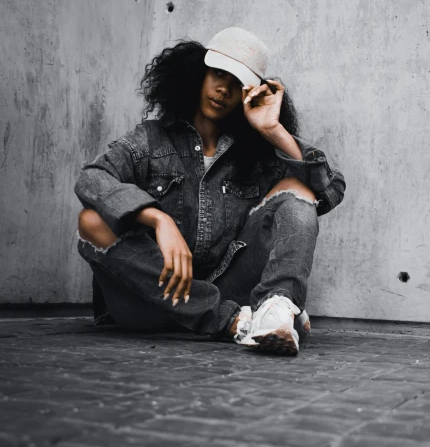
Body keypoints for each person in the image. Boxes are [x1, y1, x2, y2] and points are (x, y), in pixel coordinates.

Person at [75, 27, 345, 356]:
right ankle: (234, 321)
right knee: (91, 221)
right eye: (217, 74)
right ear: (198, 74)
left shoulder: (257, 154)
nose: (222, 90)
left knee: (298, 189)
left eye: (237, 84)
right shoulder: (153, 138)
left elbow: (328, 191)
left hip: (229, 289)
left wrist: (274, 131)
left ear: (250, 93)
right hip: (153, 294)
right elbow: (92, 178)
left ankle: (277, 306)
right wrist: (159, 219)